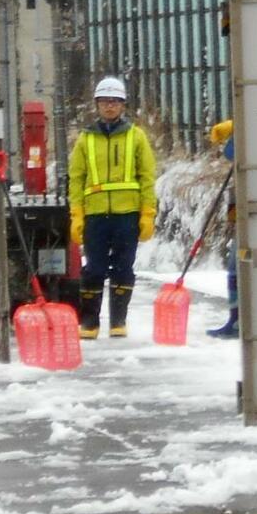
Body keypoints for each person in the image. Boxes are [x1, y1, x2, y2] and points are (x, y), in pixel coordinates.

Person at [68, 77, 157, 339]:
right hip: (95, 215)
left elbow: (147, 176)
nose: (110, 107)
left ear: (123, 105)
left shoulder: (136, 136)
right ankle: (90, 322)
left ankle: (118, 320)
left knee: (123, 267)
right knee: (94, 269)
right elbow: (76, 178)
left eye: (115, 102)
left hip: (126, 215)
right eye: (105, 102)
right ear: (96, 105)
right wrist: (77, 213)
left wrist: (147, 212)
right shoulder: (86, 139)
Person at [206, 119, 239, 339]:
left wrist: (236, 129)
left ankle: (238, 319)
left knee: (238, 265)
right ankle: (236, 318)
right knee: (235, 265)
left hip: (253, 204)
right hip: (245, 202)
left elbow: (232, 151)